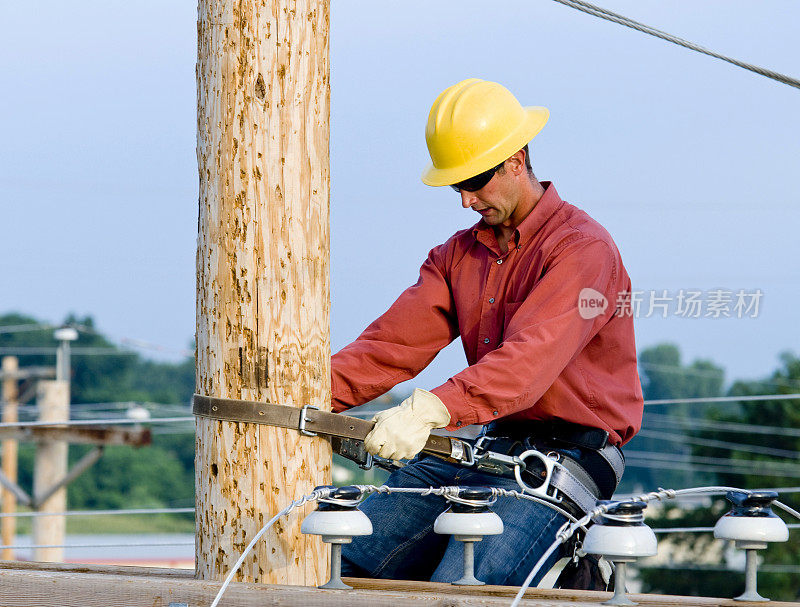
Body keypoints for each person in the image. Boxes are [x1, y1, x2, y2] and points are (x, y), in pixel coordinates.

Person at [330, 78, 644, 586]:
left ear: (516, 160)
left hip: (569, 458)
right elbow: (389, 347)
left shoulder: (582, 250)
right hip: (488, 443)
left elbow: (528, 362)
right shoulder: (457, 256)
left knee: (463, 587)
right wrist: (306, 397)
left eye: (475, 181)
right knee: (340, 564)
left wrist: (430, 407)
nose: (465, 199)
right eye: (457, 185)